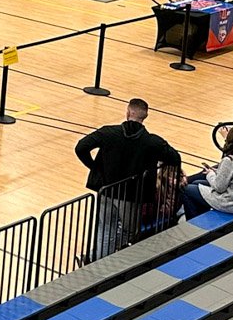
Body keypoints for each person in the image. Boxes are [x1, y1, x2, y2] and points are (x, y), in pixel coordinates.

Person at [75, 98, 182, 261]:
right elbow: (175, 158)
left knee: (105, 228)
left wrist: (95, 168)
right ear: (145, 116)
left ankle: (99, 261)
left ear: (128, 113)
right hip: (131, 196)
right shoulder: (152, 142)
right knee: (130, 231)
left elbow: (81, 147)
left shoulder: (108, 132)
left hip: (107, 190)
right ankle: (102, 260)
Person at [183, 126, 233, 219]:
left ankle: (193, 223)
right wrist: (218, 172)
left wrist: (210, 173)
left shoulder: (229, 161)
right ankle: (203, 218)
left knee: (186, 189)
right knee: (197, 183)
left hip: (230, 204)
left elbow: (219, 187)